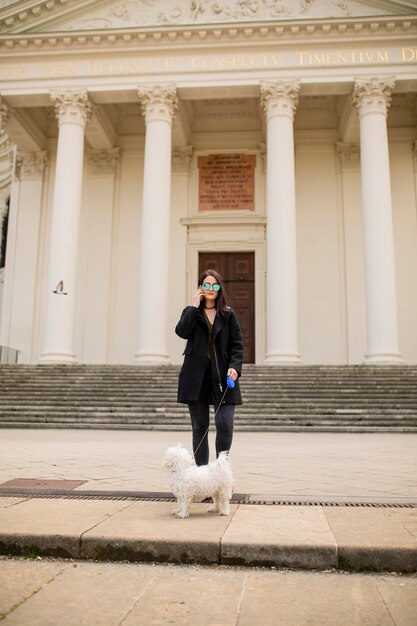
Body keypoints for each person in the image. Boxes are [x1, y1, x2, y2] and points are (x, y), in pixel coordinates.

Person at [175, 269, 243, 466]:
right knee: (200, 427)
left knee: (224, 423)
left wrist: (235, 367)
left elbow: (237, 344)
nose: (211, 289)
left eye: (214, 285)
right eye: (206, 285)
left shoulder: (228, 315)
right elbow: (182, 331)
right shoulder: (190, 312)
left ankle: (222, 472)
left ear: (219, 288)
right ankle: (202, 475)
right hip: (196, 377)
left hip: (223, 376)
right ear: (200, 288)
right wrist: (195, 307)